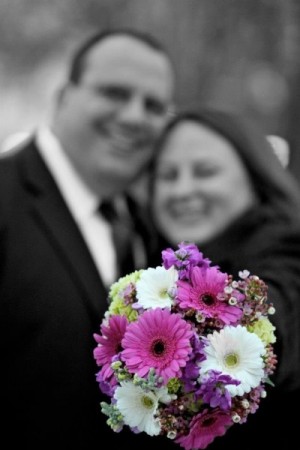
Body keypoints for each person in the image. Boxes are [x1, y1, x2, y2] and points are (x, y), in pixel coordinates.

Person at [0, 29, 175, 448]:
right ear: (64, 98)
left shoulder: (151, 228)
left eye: (153, 106)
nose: (134, 116)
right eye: (114, 93)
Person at [148, 109, 300, 449]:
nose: (183, 190)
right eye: (168, 175)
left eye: (205, 172)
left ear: (255, 177)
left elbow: (279, 307)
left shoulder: (288, 249)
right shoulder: (153, 263)